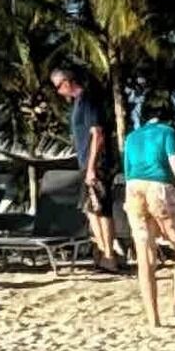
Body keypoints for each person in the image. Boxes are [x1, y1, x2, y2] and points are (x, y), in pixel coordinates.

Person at [121, 100, 175, 322]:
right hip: (159, 189)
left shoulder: (131, 137)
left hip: (134, 189)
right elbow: (174, 162)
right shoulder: (167, 132)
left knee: (145, 257)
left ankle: (153, 317)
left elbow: (128, 172)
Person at [51, 62, 122, 266]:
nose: (57, 92)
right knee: (91, 210)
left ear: (67, 81)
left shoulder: (89, 100)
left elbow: (97, 135)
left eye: (58, 86)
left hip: (97, 163)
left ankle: (109, 256)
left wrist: (91, 167)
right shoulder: (78, 103)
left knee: (101, 209)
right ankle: (103, 252)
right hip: (87, 163)